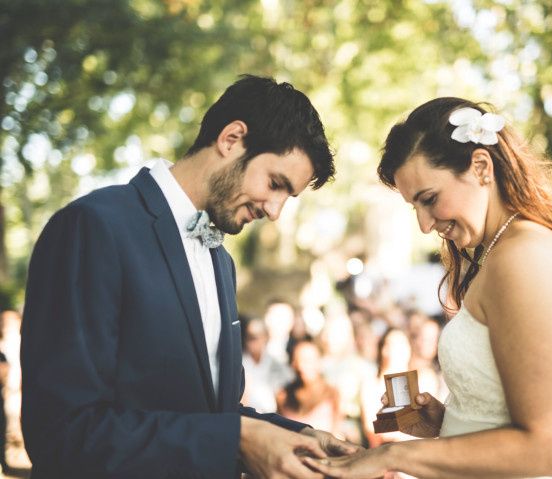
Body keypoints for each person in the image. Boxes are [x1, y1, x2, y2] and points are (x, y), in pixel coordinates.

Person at [21, 74, 358, 479]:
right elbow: (63, 433)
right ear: (231, 138)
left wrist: (301, 437)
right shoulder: (92, 227)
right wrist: (236, 438)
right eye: (275, 184)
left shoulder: (221, 262)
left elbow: (211, 412)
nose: (274, 211)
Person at [305, 97, 552, 478]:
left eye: (429, 199)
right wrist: (448, 422)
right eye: (415, 208)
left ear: (480, 167)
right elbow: (508, 422)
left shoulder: (522, 259)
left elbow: (545, 447)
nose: (424, 225)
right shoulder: (504, 253)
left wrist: (393, 457)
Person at [277, 340, 343, 436]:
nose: (302, 366)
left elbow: (337, 433)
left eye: (308, 361)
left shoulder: (332, 394)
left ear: (319, 362)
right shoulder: (283, 395)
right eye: (299, 360)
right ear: (293, 364)